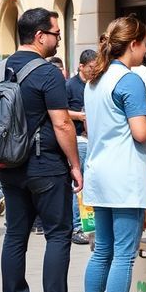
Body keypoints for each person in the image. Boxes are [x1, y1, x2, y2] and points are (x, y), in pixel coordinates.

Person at [0, 8, 83, 292]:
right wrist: (75, 165)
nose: (59, 38)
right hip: (45, 166)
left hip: (9, 164)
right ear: (40, 36)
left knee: (15, 236)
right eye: (56, 33)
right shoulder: (48, 72)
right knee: (58, 234)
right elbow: (61, 122)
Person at [81, 16, 146, 292]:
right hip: (124, 175)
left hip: (100, 172)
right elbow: (140, 132)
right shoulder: (128, 81)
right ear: (132, 44)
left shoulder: (96, 79)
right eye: (145, 44)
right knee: (124, 255)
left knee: (102, 250)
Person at [66, 49, 97, 246]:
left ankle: (89, 224)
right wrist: (79, 115)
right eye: (91, 68)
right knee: (80, 182)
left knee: (90, 181)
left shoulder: (96, 84)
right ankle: (77, 226)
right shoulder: (70, 85)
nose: (94, 71)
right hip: (79, 138)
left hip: (95, 138)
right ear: (81, 66)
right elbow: (60, 112)